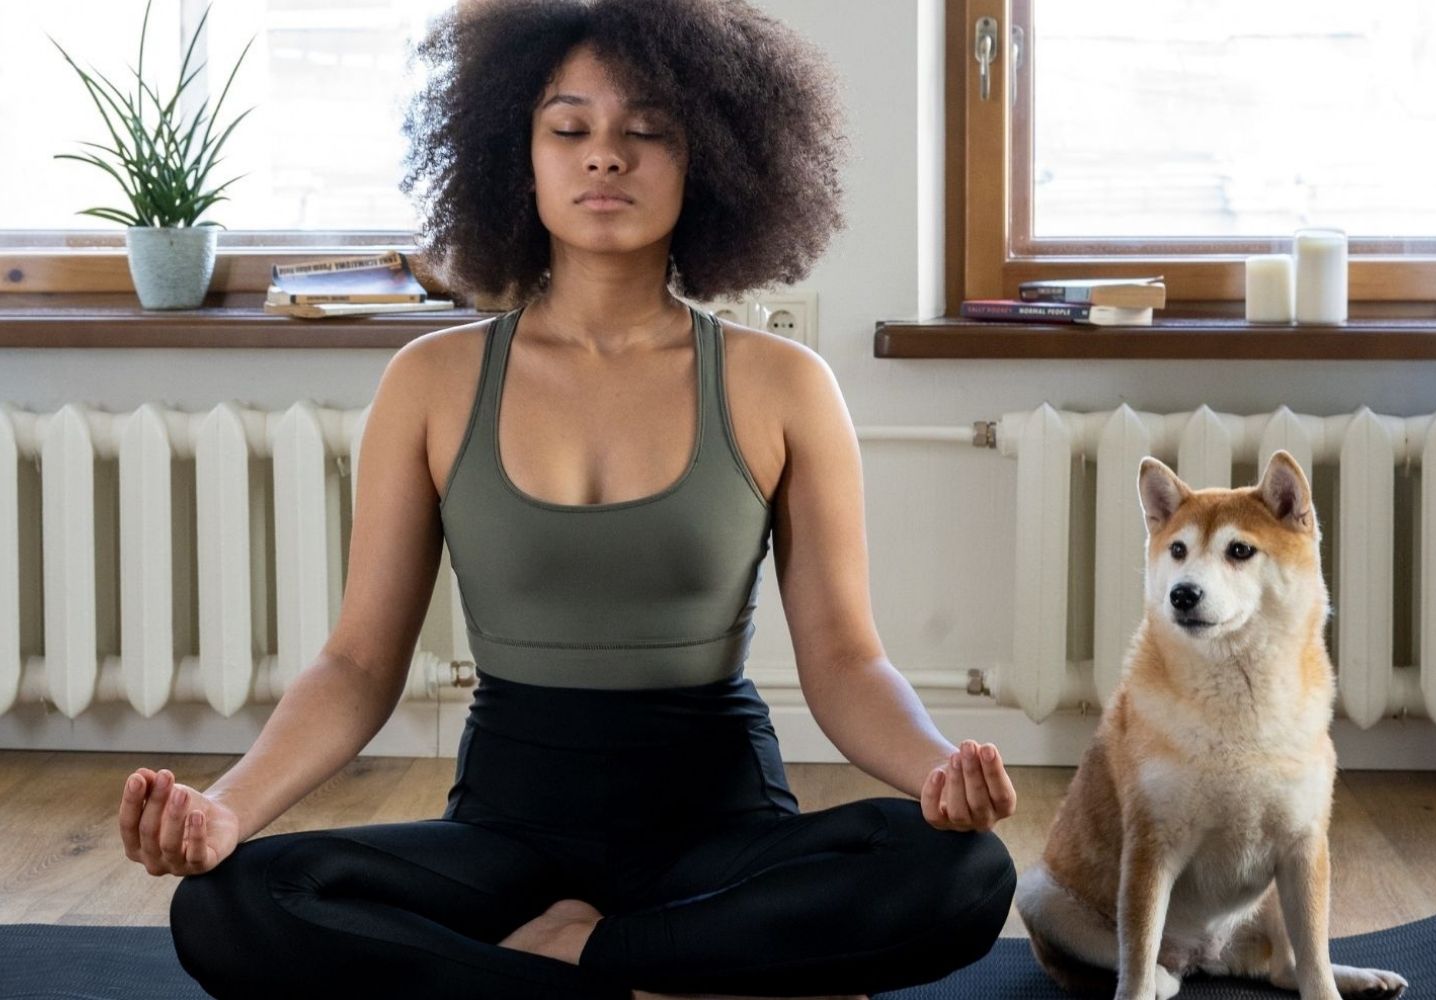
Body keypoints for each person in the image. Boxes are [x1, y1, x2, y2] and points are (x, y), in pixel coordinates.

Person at [121, 2, 1019, 997]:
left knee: (963, 872)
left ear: (709, 158)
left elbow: (848, 662)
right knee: (228, 902)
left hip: (719, 834)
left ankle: (569, 960)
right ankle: (664, 976)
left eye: (646, 132)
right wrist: (228, 808)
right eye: (570, 129)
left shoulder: (783, 384)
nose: (606, 159)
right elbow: (359, 661)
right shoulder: (432, 380)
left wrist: (940, 771)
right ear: (519, 154)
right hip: (505, 837)